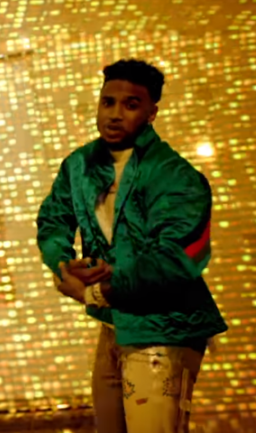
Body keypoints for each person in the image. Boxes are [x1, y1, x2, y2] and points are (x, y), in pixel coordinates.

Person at [36, 59, 227, 433]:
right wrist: (62, 263)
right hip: (115, 325)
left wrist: (99, 289)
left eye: (131, 105)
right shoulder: (80, 165)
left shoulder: (175, 176)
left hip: (165, 326)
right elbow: (54, 219)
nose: (114, 114)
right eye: (107, 102)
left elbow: (175, 259)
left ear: (152, 113)